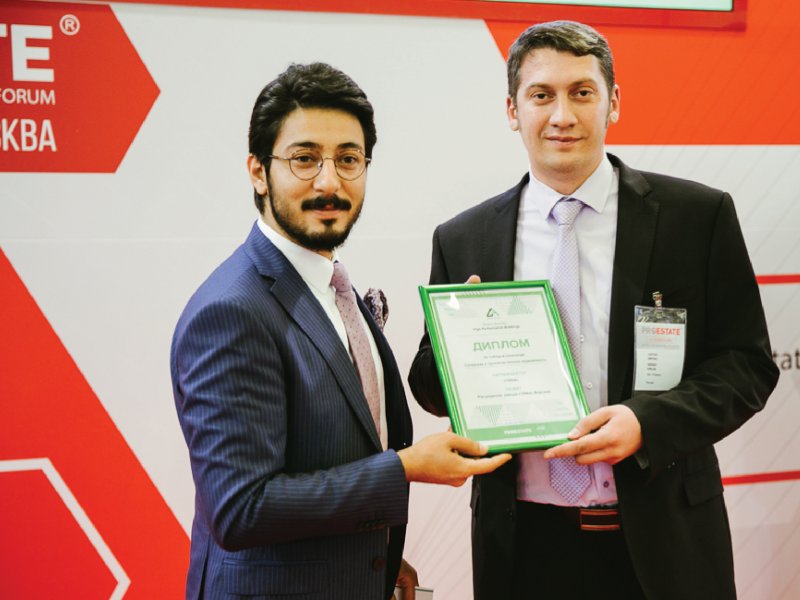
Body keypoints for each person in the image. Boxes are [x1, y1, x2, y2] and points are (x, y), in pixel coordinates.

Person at [408, 20, 779, 600]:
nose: (562, 115)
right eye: (541, 95)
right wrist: (464, 338)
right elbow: (430, 387)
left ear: (614, 103)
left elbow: (746, 366)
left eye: (582, 92)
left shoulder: (695, 217)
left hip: (664, 543)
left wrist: (647, 424)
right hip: (523, 547)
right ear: (512, 110)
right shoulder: (465, 238)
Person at [171, 62, 510, 600]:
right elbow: (241, 508)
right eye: (304, 159)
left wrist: (375, 560)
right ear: (258, 171)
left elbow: (341, 448)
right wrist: (403, 469)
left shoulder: (331, 285)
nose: (329, 182)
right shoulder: (232, 311)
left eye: (348, 159)